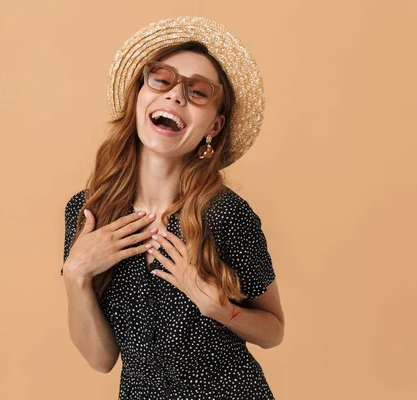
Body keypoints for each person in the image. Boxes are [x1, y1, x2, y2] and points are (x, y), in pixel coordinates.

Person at [60, 16, 285, 400]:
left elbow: (274, 330)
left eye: (198, 92)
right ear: (139, 97)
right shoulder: (88, 213)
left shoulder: (226, 214)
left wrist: (219, 308)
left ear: (213, 126)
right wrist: (75, 275)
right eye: (162, 80)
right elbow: (101, 359)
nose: (176, 96)